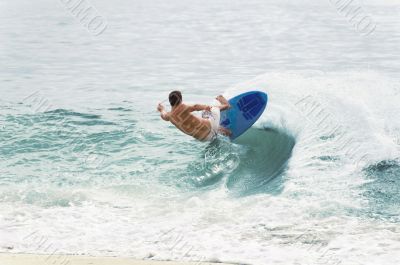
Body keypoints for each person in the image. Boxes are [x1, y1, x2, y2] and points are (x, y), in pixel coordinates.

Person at [157, 90, 231, 141]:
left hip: (205, 138)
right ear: (180, 100)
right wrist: (206, 107)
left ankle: (225, 132)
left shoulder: (169, 116)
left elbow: (163, 114)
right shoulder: (182, 107)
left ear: (170, 102)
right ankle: (226, 105)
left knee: (205, 117)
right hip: (211, 126)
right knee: (210, 110)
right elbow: (195, 106)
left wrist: (161, 109)